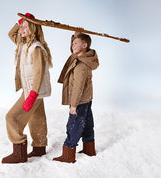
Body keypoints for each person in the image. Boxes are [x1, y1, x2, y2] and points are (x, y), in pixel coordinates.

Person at [2, 13, 53, 164]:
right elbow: (11, 33)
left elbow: (39, 74)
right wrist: (21, 21)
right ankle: (39, 148)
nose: (21, 29)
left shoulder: (36, 48)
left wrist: (32, 95)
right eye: (21, 26)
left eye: (25, 27)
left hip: (33, 90)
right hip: (31, 89)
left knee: (12, 117)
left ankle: (19, 152)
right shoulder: (23, 44)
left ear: (33, 29)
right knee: (37, 118)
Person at [53, 32, 99, 163]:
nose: (73, 45)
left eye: (75, 43)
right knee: (87, 124)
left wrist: (73, 105)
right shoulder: (86, 57)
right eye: (72, 43)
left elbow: (78, 87)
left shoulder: (80, 66)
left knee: (74, 125)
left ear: (84, 45)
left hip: (79, 100)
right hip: (87, 98)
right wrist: (76, 35)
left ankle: (68, 154)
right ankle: (89, 149)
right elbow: (74, 48)